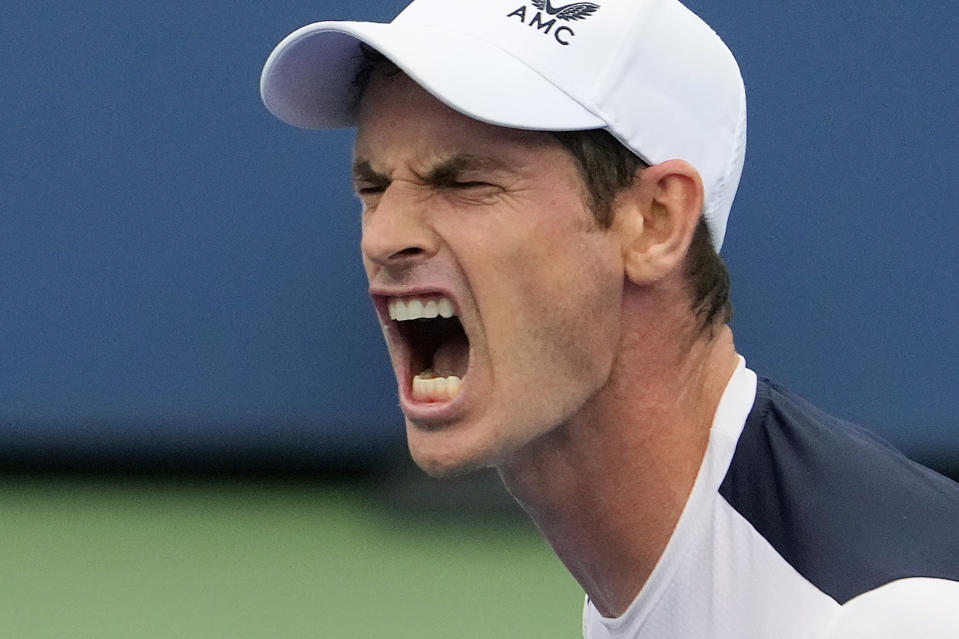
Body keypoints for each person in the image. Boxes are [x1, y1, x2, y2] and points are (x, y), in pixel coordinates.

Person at [259, 0, 959, 636]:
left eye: (463, 181)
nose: (384, 237)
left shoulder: (882, 617)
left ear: (654, 221)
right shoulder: (661, 577)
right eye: (373, 186)